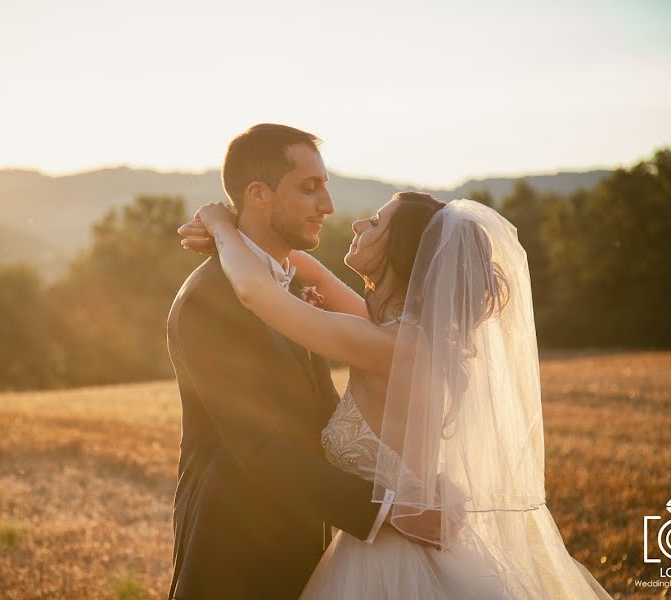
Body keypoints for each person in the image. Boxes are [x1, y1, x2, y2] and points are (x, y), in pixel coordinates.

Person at [179, 167, 614, 597]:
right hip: (388, 546)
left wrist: (220, 225)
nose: (356, 223)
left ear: (403, 249)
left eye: (375, 222)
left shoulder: (390, 344)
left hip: (389, 563)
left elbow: (258, 292)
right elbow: (311, 274)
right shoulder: (405, 334)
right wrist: (239, 235)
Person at [165, 124, 439, 600]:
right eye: (310, 189)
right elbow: (261, 450)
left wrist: (223, 226)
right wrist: (387, 511)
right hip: (236, 558)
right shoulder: (209, 300)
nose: (329, 206)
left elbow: (318, 417)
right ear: (259, 194)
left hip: (308, 550)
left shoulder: (283, 290)